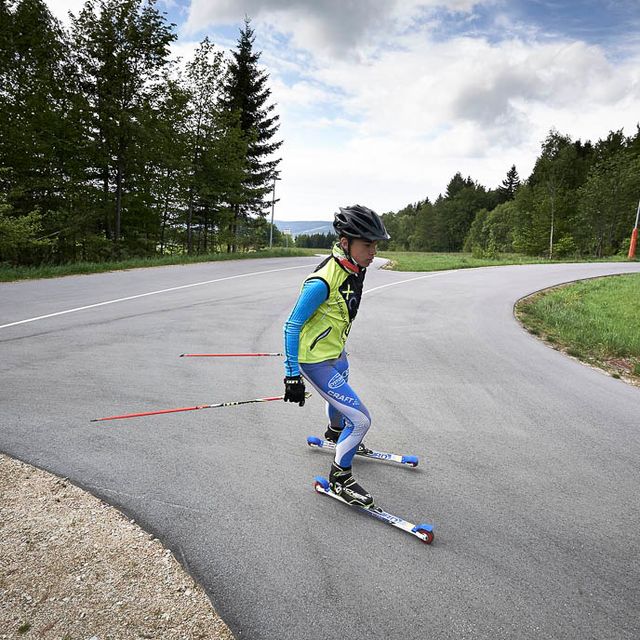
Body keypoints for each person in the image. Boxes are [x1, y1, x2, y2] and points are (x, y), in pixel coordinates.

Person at [282, 204, 390, 508]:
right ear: (345, 243)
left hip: (335, 355)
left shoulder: (355, 268)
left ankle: (334, 433)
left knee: (342, 403)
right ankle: (340, 477)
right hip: (314, 360)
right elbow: (292, 326)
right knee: (361, 420)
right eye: (367, 244)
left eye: (376, 244)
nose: (373, 251)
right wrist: (291, 375)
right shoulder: (323, 280)